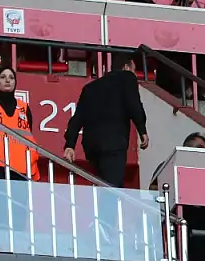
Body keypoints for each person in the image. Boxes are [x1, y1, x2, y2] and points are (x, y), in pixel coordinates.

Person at [63, 54, 149, 187]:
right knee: (112, 188)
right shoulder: (127, 77)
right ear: (126, 67)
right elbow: (134, 105)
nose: (135, 74)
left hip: (91, 146)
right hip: (113, 142)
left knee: (105, 185)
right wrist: (142, 130)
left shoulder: (90, 87)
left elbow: (78, 118)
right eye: (134, 69)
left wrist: (70, 144)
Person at [0, 66, 41, 181]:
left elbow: (29, 133)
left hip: (23, 167)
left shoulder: (24, 107)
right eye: (3, 77)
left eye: (11, 78)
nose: (7, 80)